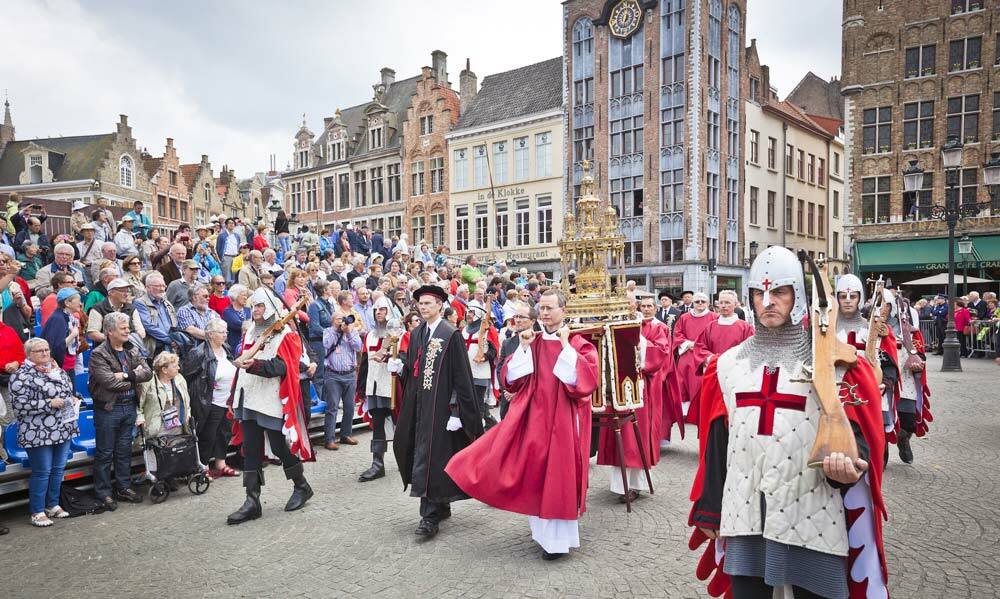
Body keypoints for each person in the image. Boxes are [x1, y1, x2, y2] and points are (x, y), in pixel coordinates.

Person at [688, 246, 888, 599]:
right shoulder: (728, 364)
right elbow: (718, 440)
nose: (768, 302)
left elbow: (857, 432)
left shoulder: (832, 361)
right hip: (745, 506)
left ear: (797, 295)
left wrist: (846, 468)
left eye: (779, 292)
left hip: (810, 505)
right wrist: (710, 508)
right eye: (759, 293)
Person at [446, 289, 599, 560]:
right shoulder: (533, 341)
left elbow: (585, 382)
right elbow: (512, 379)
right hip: (537, 416)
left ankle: (558, 542)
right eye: (542, 308)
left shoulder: (578, 342)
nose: (545, 313)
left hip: (564, 418)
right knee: (535, 472)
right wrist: (525, 347)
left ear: (564, 310)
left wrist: (564, 346)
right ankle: (541, 534)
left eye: (551, 308)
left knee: (558, 475)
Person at [385, 284, 483, 538]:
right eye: (421, 303)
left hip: (441, 408)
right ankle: (441, 503)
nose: (423, 307)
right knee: (423, 452)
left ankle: (428, 517)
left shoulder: (450, 335)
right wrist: (400, 367)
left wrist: (455, 409)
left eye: (428, 303)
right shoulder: (417, 333)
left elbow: (461, 376)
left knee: (431, 456)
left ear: (440, 305)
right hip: (418, 405)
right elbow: (414, 367)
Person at [226, 288, 314, 525]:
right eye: (253, 306)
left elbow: (285, 366)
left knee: (277, 445)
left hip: (272, 398)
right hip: (250, 395)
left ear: (271, 308)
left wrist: (255, 365)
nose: (255, 310)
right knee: (251, 447)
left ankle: (301, 485)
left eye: (260, 306)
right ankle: (252, 500)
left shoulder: (285, 333)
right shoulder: (251, 332)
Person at [596, 294, 673, 503]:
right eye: (623, 304)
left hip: (639, 388)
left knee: (632, 435)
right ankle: (618, 483)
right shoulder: (615, 323)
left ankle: (634, 484)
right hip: (616, 387)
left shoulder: (657, 327)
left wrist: (636, 338)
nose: (643, 308)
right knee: (618, 433)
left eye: (630, 304)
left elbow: (660, 354)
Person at [10, 338, 80, 527]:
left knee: (58, 470)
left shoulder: (57, 371)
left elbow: (67, 391)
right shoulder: (21, 375)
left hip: (63, 428)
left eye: (47, 349)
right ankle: (37, 511)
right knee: (42, 471)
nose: (44, 353)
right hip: (37, 431)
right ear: (29, 354)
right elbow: (19, 405)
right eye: (39, 350)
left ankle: (52, 505)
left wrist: (72, 398)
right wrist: (48, 403)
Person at [89, 312, 154, 510]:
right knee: (105, 453)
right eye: (123, 328)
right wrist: (133, 378)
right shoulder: (98, 354)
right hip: (109, 409)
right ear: (109, 331)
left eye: (128, 327)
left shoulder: (131, 349)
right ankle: (103, 492)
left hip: (129, 407)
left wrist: (125, 375)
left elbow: (148, 372)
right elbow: (108, 382)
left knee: (124, 451)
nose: (128, 331)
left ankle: (123, 487)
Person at [182, 319, 239, 478]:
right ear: (211, 335)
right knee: (208, 435)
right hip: (209, 402)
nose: (225, 335)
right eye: (222, 332)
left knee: (224, 433)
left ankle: (221, 464)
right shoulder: (199, 353)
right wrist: (204, 387)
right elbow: (186, 376)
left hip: (227, 401)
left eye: (226, 331)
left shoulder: (226, 348)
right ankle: (204, 467)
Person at [687, 290, 755, 424]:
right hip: (713, 375)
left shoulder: (745, 327)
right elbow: (700, 347)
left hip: (736, 377)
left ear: (735, 304)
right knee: (713, 415)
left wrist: (732, 362)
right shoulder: (711, 326)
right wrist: (711, 359)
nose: (723, 306)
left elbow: (750, 350)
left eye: (727, 303)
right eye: (721, 302)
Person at [356, 296, 396, 481]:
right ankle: (377, 464)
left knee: (403, 425)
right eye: (376, 310)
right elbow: (364, 362)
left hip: (394, 388)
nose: (379, 313)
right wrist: (362, 389)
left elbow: (405, 358)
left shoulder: (398, 334)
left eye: (382, 309)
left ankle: (412, 460)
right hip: (374, 386)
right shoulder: (370, 335)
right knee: (378, 424)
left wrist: (393, 360)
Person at [673, 291, 719, 424]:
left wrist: (699, 346)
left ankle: (702, 411)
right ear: (693, 303)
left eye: (702, 301)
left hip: (704, 355)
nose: (700, 304)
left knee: (700, 384)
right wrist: (688, 344)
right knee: (683, 384)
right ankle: (686, 414)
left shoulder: (714, 317)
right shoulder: (684, 317)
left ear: (708, 303)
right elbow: (677, 333)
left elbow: (715, 336)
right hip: (687, 354)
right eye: (697, 301)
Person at [321, 310, 362, 450]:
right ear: (332, 320)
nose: (342, 321)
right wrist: (336, 330)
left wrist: (348, 332)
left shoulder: (352, 331)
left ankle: (345, 435)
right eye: (339, 319)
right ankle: (329, 439)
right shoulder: (328, 331)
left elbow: (358, 347)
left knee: (350, 407)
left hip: (350, 375)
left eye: (343, 319)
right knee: (332, 408)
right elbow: (326, 344)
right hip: (333, 375)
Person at [461, 300, 499, 431]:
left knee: (479, 400)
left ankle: (482, 426)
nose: (468, 315)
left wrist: (485, 357)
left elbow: (494, 350)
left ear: (478, 313)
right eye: (467, 312)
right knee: (467, 400)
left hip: (481, 371)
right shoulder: (464, 330)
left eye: (471, 312)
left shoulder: (488, 330)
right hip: (466, 370)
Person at [137, 352, 191, 442]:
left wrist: (188, 413)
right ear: (164, 370)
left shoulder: (180, 379)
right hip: (156, 429)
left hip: (178, 428)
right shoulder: (148, 382)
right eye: (174, 366)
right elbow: (138, 404)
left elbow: (187, 401)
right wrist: (140, 418)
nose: (178, 368)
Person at [496, 303, 537, 420]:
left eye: (522, 317)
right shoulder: (507, 343)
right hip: (508, 399)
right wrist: (507, 390)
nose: (517, 320)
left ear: (532, 321)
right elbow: (500, 369)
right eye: (516, 317)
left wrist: (519, 393)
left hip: (530, 401)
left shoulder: (539, 343)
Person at [40, 288, 84, 382]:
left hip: (69, 365)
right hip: (62, 367)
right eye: (78, 301)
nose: (80, 304)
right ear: (67, 303)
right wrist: (73, 335)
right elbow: (57, 346)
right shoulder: (58, 319)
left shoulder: (68, 316)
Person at [86, 278, 142, 347]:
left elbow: (140, 331)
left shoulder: (132, 308)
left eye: (128, 291)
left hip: (130, 350)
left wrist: (131, 338)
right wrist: (115, 338)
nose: (126, 294)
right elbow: (93, 334)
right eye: (123, 291)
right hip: (105, 352)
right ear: (111, 292)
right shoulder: (98, 308)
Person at [134, 272, 178, 357]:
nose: (162, 289)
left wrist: (176, 338)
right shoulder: (140, 302)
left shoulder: (166, 302)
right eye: (158, 286)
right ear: (148, 288)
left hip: (171, 346)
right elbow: (149, 326)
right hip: (155, 348)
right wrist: (170, 340)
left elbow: (175, 321)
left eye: (164, 286)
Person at [306, 279, 334, 405]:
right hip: (318, 343)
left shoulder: (330, 304)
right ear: (324, 290)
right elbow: (315, 326)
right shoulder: (314, 305)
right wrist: (330, 334)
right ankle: (319, 400)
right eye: (329, 287)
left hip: (329, 342)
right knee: (319, 373)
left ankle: (328, 399)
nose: (331, 290)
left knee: (329, 372)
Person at [222, 284, 251, 355]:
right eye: (243, 295)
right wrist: (251, 324)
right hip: (234, 349)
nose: (246, 297)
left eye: (246, 295)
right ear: (235, 295)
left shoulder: (248, 310)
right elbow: (237, 324)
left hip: (248, 346)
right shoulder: (228, 311)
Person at [216, 218, 241, 284]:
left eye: (233, 223)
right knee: (227, 277)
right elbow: (218, 248)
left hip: (236, 257)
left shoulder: (237, 236)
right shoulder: (221, 236)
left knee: (235, 276)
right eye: (229, 223)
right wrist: (221, 259)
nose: (231, 224)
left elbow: (238, 247)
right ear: (226, 225)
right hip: (226, 257)